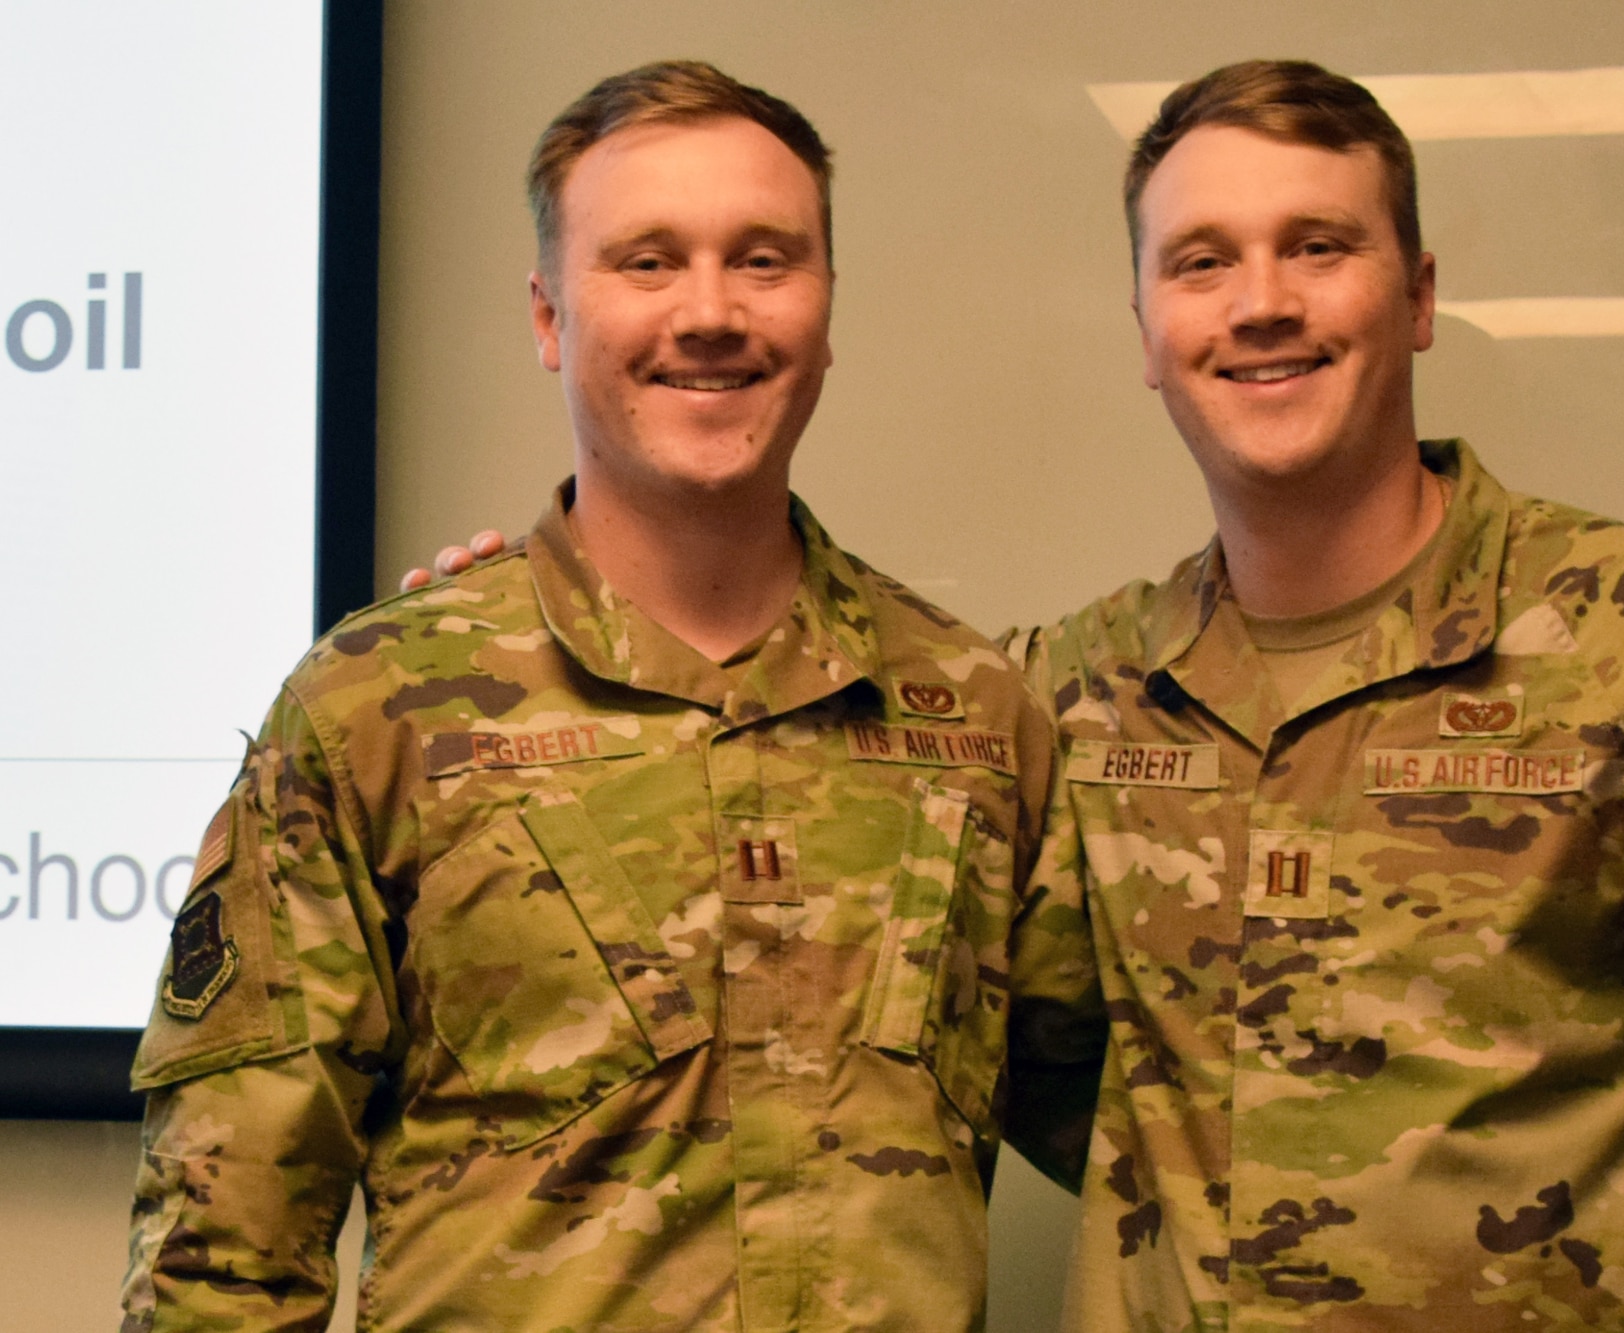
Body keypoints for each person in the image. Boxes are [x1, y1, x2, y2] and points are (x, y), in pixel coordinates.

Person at [122, 61, 1095, 1332]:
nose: (709, 312)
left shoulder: (971, 714)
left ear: (824, 305)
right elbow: (225, 1250)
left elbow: (1163, 1136)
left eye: (762, 259)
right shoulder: (384, 708)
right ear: (547, 316)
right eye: (645, 261)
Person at [1009, 60, 1624, 1330]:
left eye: (1318, 244)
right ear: (1146, 332)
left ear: (1417, 298)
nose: (1263, 303)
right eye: (1200, 262)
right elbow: (1031, 1054)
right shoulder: (1084, 693)